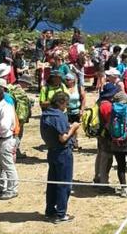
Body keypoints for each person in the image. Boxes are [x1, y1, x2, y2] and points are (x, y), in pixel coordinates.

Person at [40, 91, 79, 223]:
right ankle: (61, 214)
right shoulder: (59, 116)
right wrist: (73, 128)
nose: (66, 107)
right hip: (63, 152)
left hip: (51, 151)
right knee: (64, 184)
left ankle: (50, 210)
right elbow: (63, 138)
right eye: (66, 104)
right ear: (60, 103)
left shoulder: (45, 114)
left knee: (52, 183)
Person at [93, 82, 119, 188]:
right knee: (107, 158)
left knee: (100, 155)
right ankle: (103, 183)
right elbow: (109, 123)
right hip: (106, 135)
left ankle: (97, 177)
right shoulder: (107, 106)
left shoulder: (100, 102)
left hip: (100, 133)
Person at [63, 72, 85, 149]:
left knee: (75, 128)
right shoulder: (63, 88)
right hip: (66, 111)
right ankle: (70, 142)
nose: (66, 81)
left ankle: (75, 141)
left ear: (73, 80)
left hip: (76, 111)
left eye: (68, 79)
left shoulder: (79, 87)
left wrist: (82, 109)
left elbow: (83, 98)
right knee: (68, 127)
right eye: (65, 79)